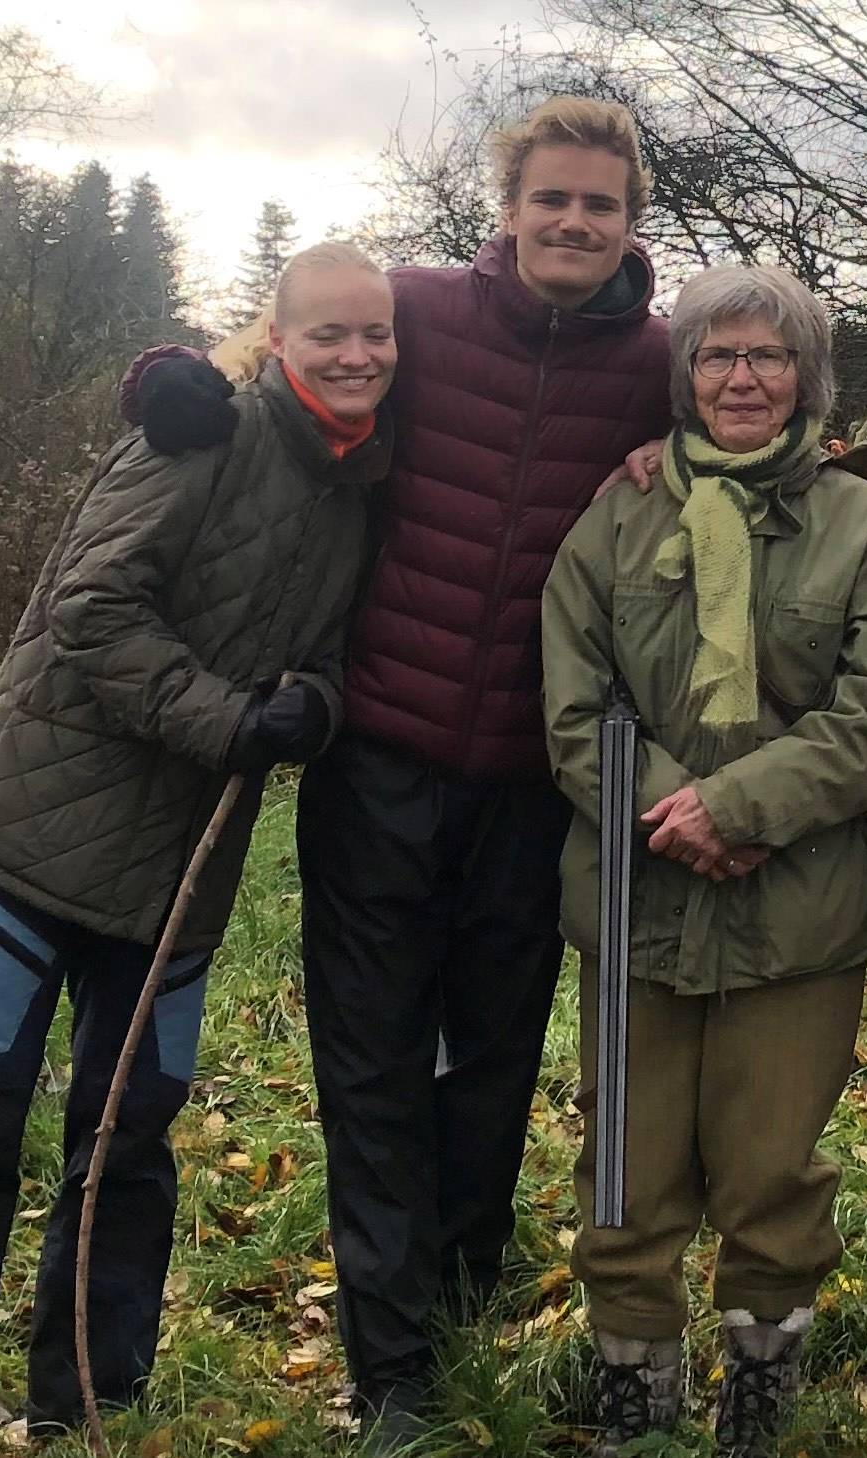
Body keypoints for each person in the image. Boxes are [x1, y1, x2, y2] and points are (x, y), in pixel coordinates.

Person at [121, 99, 672, 1445]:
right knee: (369, 1062)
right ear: (507, 205)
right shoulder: (417, 311)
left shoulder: (654, 361)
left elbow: (755, 431)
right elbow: (288, 360)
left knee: (489, 1059)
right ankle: (392, 1372)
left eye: (598, 205)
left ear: (628, 223)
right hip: (378, 756)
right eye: (550, 199)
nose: (572, 222)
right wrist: (166, 379)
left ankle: (460, 1289)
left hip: (536, 779)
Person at [0, 243, 398, 1458]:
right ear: (278, 335)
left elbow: (329, 639)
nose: (358, 356)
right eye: (330, 336)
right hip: (21, 849)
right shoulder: (200, 428)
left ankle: (92, 1408)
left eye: (379, 336)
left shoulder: (369, 475)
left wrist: (319, 699)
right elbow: (88, 607)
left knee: (128, 1150)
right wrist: (226, 718)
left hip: (177, 882)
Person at [541, 264, 867, 1458]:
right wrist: (679, 817)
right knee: (626, 1180)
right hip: (635, 905)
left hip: (796, 916)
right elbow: (574, 709)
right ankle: (635, 1404)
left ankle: (758, 1399)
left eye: (768, 357)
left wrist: (743, 811)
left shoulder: (864, 524)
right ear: (686, 377)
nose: (743, 377)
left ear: (806, 377)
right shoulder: (615, 518)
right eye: (718, 357)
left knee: (767, 1180)